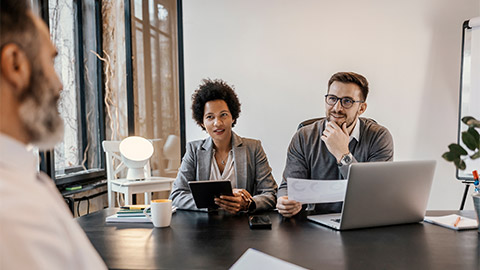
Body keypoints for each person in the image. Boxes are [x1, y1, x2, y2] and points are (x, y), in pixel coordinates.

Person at [0, 1, 107, 269]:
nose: (59, 84)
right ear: (15, 65)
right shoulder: (17, 211)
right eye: (50, 60)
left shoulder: (23, 182)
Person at [277, 72, 394, 217]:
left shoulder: (379, 137)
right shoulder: (304, 136)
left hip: (361, 220)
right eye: (332, 99)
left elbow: (373, 195)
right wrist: (284, 201)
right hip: (314, 222)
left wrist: (343, 154)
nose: (337, 108)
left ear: (362, 108)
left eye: (347, 101)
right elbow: (288, 187)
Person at [169, 79, 277, 213]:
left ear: (233, 117)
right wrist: (217, 202)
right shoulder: (194, 150)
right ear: (202, 122)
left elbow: (271, 194)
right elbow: (177, 195)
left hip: (242, 228)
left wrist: (247, 203)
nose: (217, 123)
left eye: (224, 115)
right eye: (210, 117)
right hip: (203, 227)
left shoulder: (253, 148)